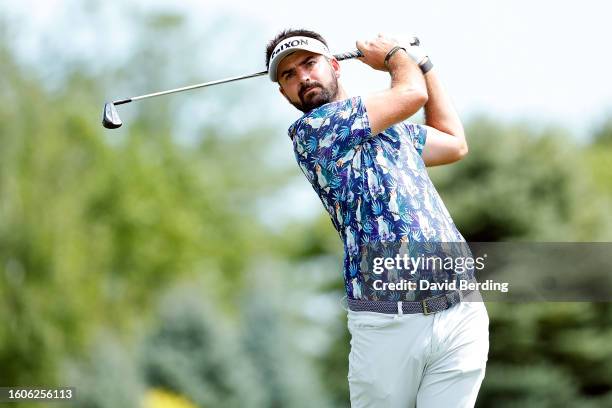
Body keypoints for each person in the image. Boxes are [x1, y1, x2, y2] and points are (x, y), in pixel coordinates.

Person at [266, 29, 489, 408]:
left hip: (460, 311)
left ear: (334, 66)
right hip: (387, 323)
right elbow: (410, 94)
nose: (302, 77)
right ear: (284, 93)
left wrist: (424, 63)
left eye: (309, 64)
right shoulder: (314, 132)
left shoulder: (389, 130)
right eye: (289, 75)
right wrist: (396, 57)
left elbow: (454, 142)